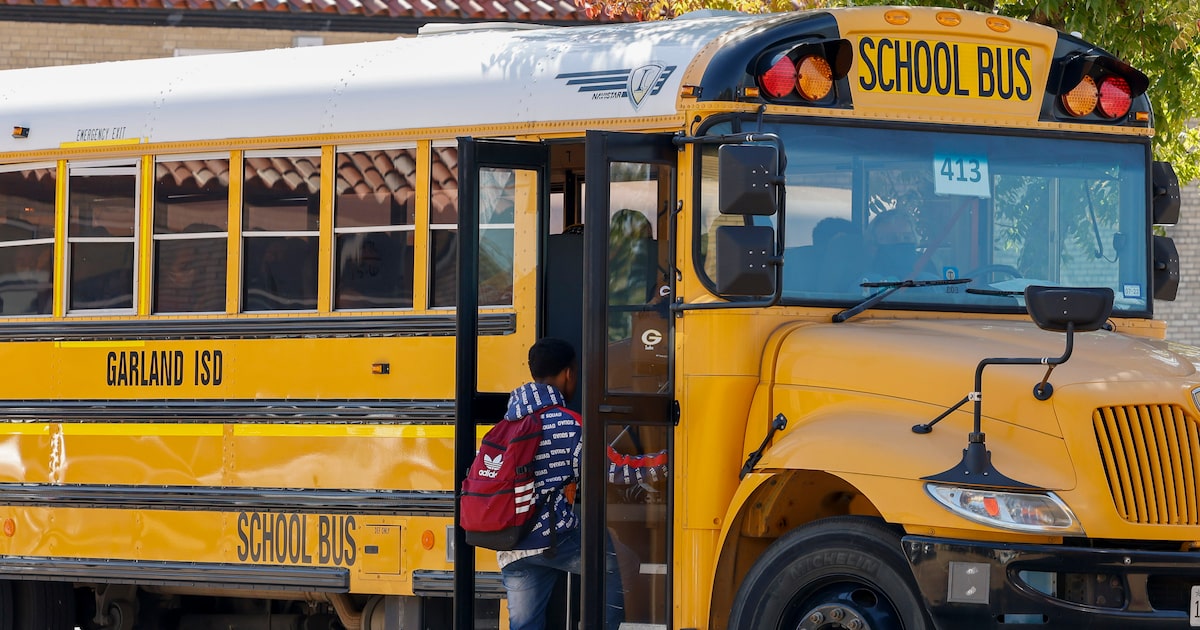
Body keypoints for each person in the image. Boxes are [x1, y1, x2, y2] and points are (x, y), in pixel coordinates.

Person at [498, 337, 624, 630]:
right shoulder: (568, 423)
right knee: (620, 562)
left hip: (511, 543)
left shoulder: (507, 423)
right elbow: (613, 470)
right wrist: (665, 462)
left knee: (525, 626)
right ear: (569, 373)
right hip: (551, 539)